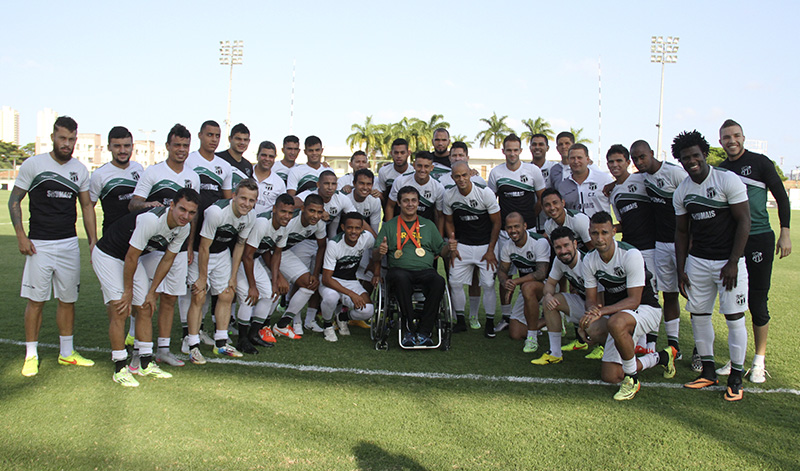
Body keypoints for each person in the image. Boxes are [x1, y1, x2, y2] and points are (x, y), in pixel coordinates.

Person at [10, 116, 98, 377]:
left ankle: (67, 353)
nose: (67, 144)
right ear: (52, 137)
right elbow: (14, 200)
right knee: (36, 301)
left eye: (71, 139)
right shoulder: (34, 164)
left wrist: (92, 241)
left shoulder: (80, 170)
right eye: (62, 138)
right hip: (39, 245)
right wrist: (21, 236)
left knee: (68, 300)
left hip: (69, 244)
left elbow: (86, 207)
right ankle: (31, 355)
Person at [672, 130, 751, 402]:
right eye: (685, 158)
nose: (691, 161)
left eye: (695, 155)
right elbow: (681, 233)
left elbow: (744, 221)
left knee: (733, 317)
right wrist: (681, 268)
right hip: (698, 263)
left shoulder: (727, 180)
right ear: (680, 161)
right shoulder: (682, 191)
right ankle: (708, 371)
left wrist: (732, 262)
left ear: (705, 154)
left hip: (729, 263)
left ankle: (736, 377)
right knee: (699, 316)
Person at [92, 188, 199, 386]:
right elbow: (131, 256)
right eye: (182, 209)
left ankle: (144, 363)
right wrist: (127, 291)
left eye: (192, 213)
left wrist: (151, 292)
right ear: (172, 205)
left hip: (130, 258)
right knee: (120, 309)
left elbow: (167, 260)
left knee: (145, 307)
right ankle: (120, 367)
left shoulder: (184, 228)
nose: (186, 216)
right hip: (108, 255)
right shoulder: (151, 220)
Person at [717, 119, 791, 383]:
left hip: (759, 238)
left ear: (743, 137)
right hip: (732, 243)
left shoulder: (761, 163)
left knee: (757, 301)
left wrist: (785, 232)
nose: (731, 141)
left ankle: (759, 361)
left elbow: (781, 197)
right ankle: (737, 358)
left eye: (736, 135)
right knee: (732, 303)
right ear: (720, 141)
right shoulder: (721, 170)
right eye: (726, 137)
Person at [580, 212, 675, 401]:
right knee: (610, 376)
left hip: (646, 309)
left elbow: (634, 300)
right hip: (619, 314)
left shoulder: (630, 254)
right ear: (589, 234)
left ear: (614, 232)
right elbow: (591, 299)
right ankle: (661, 357)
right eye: (595, 233)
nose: (600, 239)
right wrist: (590, 315)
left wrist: (602, 311)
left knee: (615, 323)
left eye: (604, 233)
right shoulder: (589, 259)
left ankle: (632, 379)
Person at [129, 124, 200, 365]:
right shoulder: (153, 172)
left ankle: (163, 349)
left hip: (178, 248)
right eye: (177, 145)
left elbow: (194, 213)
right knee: (150, 298)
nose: (181, 149)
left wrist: (190, 245)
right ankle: (140, 350)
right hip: (153, 247)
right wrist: (150, 205)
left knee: (170, 298)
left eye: (185, 146)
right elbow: (134, 203)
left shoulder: (193, 176)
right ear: (167, 146)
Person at [184, 179, 258, 363]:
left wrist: (233, 276)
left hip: (223, 253)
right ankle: (192, 345)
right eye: (243, 198)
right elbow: (203, 247)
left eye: (251, 200)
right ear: (233, 196)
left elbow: (240, 245)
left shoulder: (251, 216)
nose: (246, 204)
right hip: (202, 252)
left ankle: (221, 344)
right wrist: (202, 277)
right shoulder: (216, 213)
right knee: (199, 296)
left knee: (226, 294)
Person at [630, 139, 687, 364]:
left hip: (684, 243)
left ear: (652, 153)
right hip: (661, 244)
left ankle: (701, 351)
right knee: (668, 294)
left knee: (693, 295)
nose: (639, 161)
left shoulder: (675, 174)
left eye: (642, 156)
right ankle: (674, 346)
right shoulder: (642, 177)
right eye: (635, 159)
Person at [373, 186, 450, 347]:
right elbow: (375, 256)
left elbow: (441, 251)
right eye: (406, 201)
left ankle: (425, 331)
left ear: (418, 203)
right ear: (399, 204)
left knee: (438, 281)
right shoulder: (389, 226)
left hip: (425, 271)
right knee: (401, 278)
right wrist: (380, 252)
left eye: (413, 200)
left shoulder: (428, 225)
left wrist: (449, 248)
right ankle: (409, 328)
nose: (410, 204)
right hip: (399, 271)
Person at [488, 134, 546, 333]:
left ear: (521, 151)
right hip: (505, 233)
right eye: (508, 150)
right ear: (503, 151)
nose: (512, 153)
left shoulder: (533, 171)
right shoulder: (496, 173)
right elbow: (491, 202)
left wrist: (528, 220)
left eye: (516, 150)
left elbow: (541, 199)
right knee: (504, 274)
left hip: (528, 231)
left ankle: (536, 317)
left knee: (530, 275)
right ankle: (506, 316)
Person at [605, 144, 658, 353]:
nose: (615, 165)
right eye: (611, 162)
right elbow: (625, 221)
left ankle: (652, 343)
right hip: (630, 248)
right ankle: (640, 343)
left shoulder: (642, 179)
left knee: (651, 294)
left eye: (620, 161)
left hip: (651, 247)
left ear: (628, 162)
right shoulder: (614, 193)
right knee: (634, 293)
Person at [444, 161, 501, 336]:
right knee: (454, 282)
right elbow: (448, 221)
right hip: (464, 246)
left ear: (470, 174)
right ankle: (460, 321)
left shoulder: (485, 193)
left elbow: (497, 222)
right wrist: (453, 244)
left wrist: (491, 249)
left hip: (485, 246)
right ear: (452, 177)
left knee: (489, 284)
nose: (461, 179)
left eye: (464, 175)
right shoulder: (449, 195)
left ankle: (489, 323)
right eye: (457, 176)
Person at [239, 193, 295, 350]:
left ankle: (253, 334)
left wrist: (275, 280)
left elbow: (276, 254)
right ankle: (242, 339)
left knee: (270, 293)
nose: (286, 216)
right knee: (248, 296)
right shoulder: (263, 223)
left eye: (290, 213)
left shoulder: (285, 226)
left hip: (254, 260)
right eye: (283, 211)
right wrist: (252, 285)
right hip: (239, 259)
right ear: (274, 209)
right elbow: (246, 255)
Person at [531, 227, 592, 365]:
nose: (563, 251)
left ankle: (603, 346)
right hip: (585, 303)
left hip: (602, 308)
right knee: (551, 301)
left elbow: (602, 297)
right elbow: (550, 284)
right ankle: (555, 353)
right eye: (558, 247)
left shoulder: (588, 262)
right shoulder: (559, 261)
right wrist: (547, 295)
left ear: (575, 244)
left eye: (566, 245)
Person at [271, 194, 327, 339]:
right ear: (302, 209)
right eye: (312, 211)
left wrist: (315, 274)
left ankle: (283, 324)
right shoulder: (290, 221)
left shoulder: (319, 224)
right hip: (267, 253)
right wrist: (279, 276)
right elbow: (269, 248)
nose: (315, 216)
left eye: (319, 212)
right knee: (270, 291)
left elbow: (321, 247)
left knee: (310, 284)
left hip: (283, 252)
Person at [497, 212, 550, 351]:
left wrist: (516, 281)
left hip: (548, 288)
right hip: (527, 288)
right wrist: (505, 282)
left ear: (525, 226)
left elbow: (541, 273)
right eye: (509, 227)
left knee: (527, 287)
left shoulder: (539, 242)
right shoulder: (507, 246)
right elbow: (502, 271)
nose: (513, 231)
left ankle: (532, 337)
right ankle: (549, 320)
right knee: (515, 333)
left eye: (516, 226)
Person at [320, 212, 376, 342]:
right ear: (343, 227)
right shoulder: (334, 244)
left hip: (350, 281)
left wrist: (375, 268)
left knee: (368, 310)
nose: (353, 231)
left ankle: (342, 317)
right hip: (331, 281)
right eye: (350, 227)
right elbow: (326, 279)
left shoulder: (366, 237)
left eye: (357, 228)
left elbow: (377, 249)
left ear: (362, 229)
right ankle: (327, 325)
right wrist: (351, 294)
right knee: (331, 297)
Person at [89, 126, 144, 234]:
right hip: (112, 237)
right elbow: (89, 208)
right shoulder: (99, 174)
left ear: (132, 147)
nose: (122, 151)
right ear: (109, 147)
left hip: (137, 237)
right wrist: (93, 239)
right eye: (117, 146)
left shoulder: (139, 169)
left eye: (126, 146)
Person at [386, 151, 445, 235]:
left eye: (426, 166)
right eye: (419, 166)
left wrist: (439, 238)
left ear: (432, 168)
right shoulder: (401, 181)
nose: (422, 170)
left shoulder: (438, 187)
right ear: (414, 165)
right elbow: (390, 206)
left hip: (424, 230)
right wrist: (390, 231)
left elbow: (440, 216)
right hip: (401, 227)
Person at [556, 143, 613, 218]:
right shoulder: (563, 186)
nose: (576, 161)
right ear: (568, 160)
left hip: (600, 228)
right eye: (572, 158)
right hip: (574, 229)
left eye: (579, 158)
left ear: (587, 159)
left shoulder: (604, 179)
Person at [530, 133, 557, 232]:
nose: (537, 147)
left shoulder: (554, 167)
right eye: (534, 144)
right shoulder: (525, 168)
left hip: (551, 225)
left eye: (541, 144)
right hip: (530, 225)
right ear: (530, 148)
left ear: (547, 148)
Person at [252, 140, 287, 215]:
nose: (267, 159)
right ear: (257, 155)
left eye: (271, 156)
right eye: (264, 155)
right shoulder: (246, 174)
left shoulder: (279, 183)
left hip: (265, 224)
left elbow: (281, 208)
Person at [377, 138, 414, 206]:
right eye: (396, 153)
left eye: (402, 153)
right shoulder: (384, 171)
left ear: (408, 153)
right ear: (391, 153)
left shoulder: (414, 171)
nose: (399, 156)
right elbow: (384, 195)